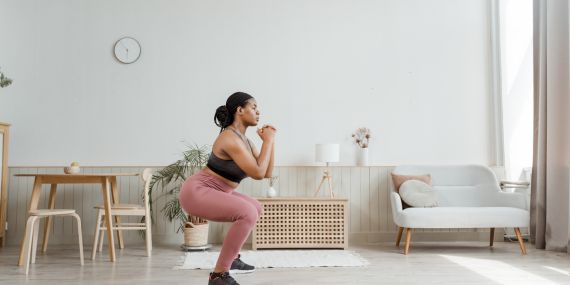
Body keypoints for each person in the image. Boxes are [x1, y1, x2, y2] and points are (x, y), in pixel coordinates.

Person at [179, 92, 276, 285]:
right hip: (197, 192)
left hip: (217, 191)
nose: (259, 111)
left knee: (255, 207)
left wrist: (270, 142)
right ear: (239, 110)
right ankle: (218, 275)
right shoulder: (229, 138)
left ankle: (233, 258)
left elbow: (265, 173)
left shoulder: (246, 141)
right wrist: (268, 141)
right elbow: (257, 173)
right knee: (247, 212)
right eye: (254, 107)